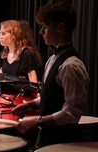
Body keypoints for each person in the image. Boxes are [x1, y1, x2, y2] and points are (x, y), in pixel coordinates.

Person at [11, 1, 90, 149]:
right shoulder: (52, 59)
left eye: (45, 27)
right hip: (49, 138)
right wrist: (29, 104)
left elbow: (71, 113)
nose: (41, 32)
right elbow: (52, 97)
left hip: (64, 142)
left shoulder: (70, 65)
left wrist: (37, 120)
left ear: (60, 28)